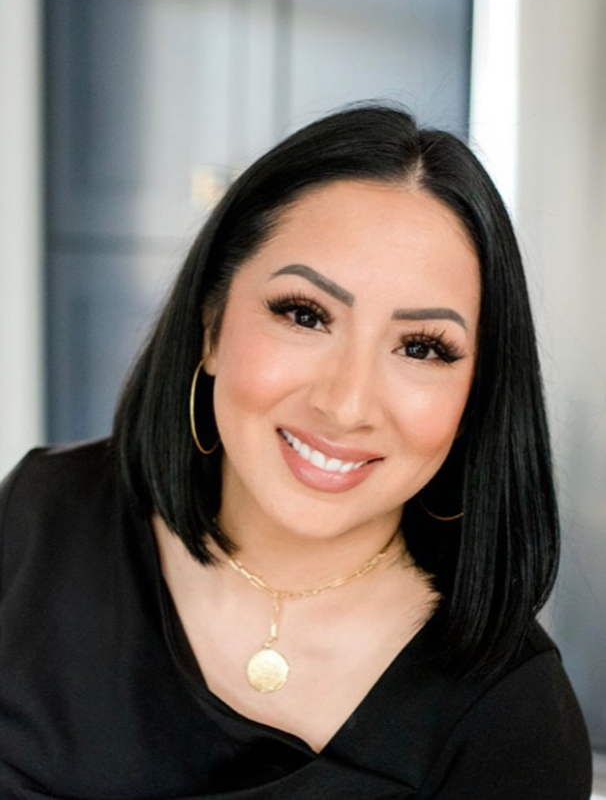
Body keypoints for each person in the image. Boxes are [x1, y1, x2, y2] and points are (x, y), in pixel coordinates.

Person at [0, 105, 592, 799]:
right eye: (305, 314)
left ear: (476, 397)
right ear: (211, 325)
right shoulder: (43, 515)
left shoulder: (514, 720)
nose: (346, 404)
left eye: (422, 348)